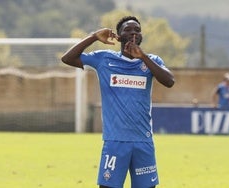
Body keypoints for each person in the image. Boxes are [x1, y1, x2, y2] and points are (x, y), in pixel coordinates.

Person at [61, 16, 175, 188]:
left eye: (137, 30)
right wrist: (93, 36)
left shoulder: (151, 61)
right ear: (119, 37)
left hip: (143, 141)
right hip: (115, 141)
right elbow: (68, 58)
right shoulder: (104, 59)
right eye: (128, 30)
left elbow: (169, 81)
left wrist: (143, 57)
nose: (133, 33)